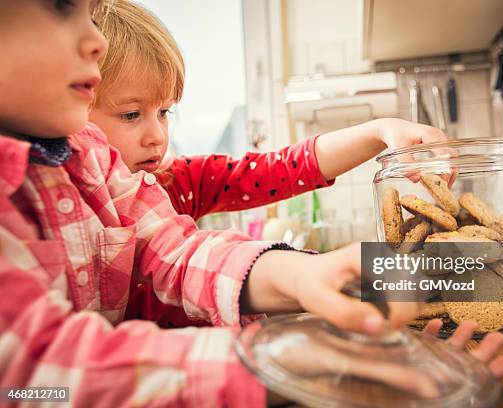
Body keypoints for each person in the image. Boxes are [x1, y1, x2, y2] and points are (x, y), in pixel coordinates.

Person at [0, 1, 503, 406]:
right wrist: (286, 367)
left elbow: (189, 244)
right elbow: (30, 383)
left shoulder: (93, 162)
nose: (93, 38)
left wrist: (299, 276)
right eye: (132, 114)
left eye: (165, 114)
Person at [88, 0, 455, 327]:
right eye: (132, 114)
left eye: (164, 112)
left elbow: (280, 169)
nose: (157, 134)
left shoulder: (178, 184)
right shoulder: (68, 217)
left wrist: (378, 130)